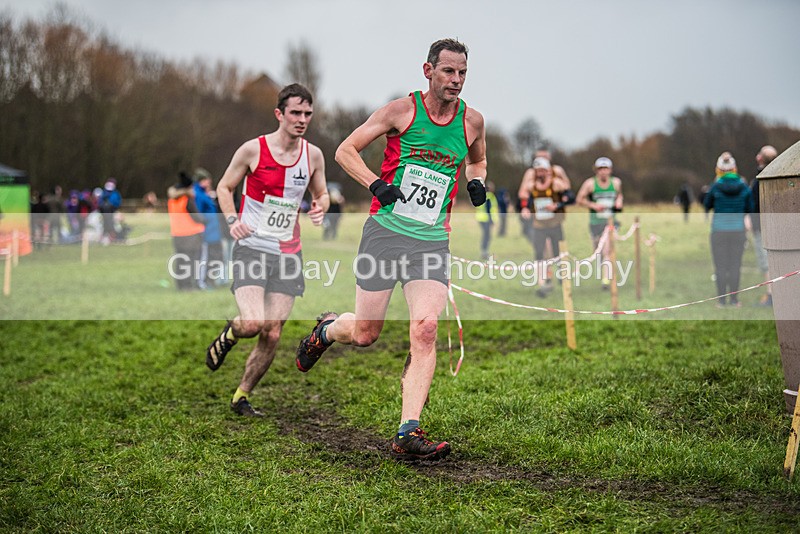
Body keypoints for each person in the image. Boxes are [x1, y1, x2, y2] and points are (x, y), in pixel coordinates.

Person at [294, 38, 487, 463]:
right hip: (385, 232)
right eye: (448, 72)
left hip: (431, 239)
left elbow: (476, 160)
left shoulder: (472, 121)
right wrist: (376, 184)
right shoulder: (402, 111)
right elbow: (345, 150)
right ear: (428, 70)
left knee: (425, 328)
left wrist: (476, 181)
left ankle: (408, 431)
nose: (456, 80)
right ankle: (326, 330)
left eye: (462, 73)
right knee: (365, 333)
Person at [204, 83, 329, 417]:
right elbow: (225, 186)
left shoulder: (313, 155)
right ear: (279, 114)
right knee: (252, 323)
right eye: (296, 113)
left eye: (308, 113)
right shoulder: (252, 150)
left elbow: (322, 192)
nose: (302, 119)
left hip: (289, 252)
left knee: (272, 333)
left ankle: (241, 396)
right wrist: (232, 220)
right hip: (253, 246)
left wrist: (320, 205)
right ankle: (232, 333)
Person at [519, 157, 575, 297]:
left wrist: (557, 205)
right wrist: (526, 208)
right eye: (537, 171)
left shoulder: (556, 184)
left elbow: (571, 198)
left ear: (547, 170)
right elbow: (530, 201)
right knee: (539, 253)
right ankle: (543, 283)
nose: (540, 174)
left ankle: (562, 277)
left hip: (555, 224)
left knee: (558, 253)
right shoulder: (532, 186)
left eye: (542, 171)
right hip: (539, 225)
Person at [703, 152, 753, 307]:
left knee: (720, 266)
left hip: (719, 231)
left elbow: (707, 204)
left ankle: (721, 301)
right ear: (734, 169)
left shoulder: (715, 187)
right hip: (737, 231)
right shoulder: (744, 186)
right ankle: (734, 300)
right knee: (735, 265)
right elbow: (750, 207)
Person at [575, 156, 623, 289]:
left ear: (610, 170)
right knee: (598, 251)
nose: (603, 171)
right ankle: (606, 271)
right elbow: (579, 200)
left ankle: (606, 280)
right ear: (596, 170)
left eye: (605, 168)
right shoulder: (590, 184)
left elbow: (619, 195)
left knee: (608, 250)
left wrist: (619, 201)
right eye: (600, 169)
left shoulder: (616, 183)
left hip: (611, 222)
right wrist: (594, 205)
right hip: (595, 222)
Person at [749, 145, 778, 306]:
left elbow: (756, 204)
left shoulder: (761, 178)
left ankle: (771, 296)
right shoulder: (778, 175)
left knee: (766, 262)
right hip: (775, 225)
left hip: (763, 226)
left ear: (761, 158)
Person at [167, 172, 205, 291]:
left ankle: (181, 285)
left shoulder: (172, 201)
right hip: (191, 235)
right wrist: (205, 220)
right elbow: (196, 217)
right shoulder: (187, 199)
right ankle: (188, 286)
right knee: (191, 262)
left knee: (180, 261)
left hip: (177, 234)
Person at [193, 168, 224, 289]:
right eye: (207, 180)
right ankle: (203, 281)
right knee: (205, 259)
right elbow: (198, 213)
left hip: (213, 232)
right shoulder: (198, 195)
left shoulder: (204, 193)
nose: (209, 182)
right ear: (201, 181)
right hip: (206, 233)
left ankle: (210, 279)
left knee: (216, 258)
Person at [475, 180, 498, 260]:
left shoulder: (481, 195)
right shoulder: (489, 196)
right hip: (486, 219)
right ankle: (484, 252)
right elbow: (488, 209)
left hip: (480, 218)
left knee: (485, 235)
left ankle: (484, 251)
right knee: (487, 236)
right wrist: (491, 220)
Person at [99, 178, 122, 243]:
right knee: (104, 226)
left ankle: (113, 238)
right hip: (104, 213)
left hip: (112, 213)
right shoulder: (103, 193)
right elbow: (99, 203)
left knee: (111, 225)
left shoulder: (115, 194)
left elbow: (117, 203)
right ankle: (102, 239)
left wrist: (111, 206)